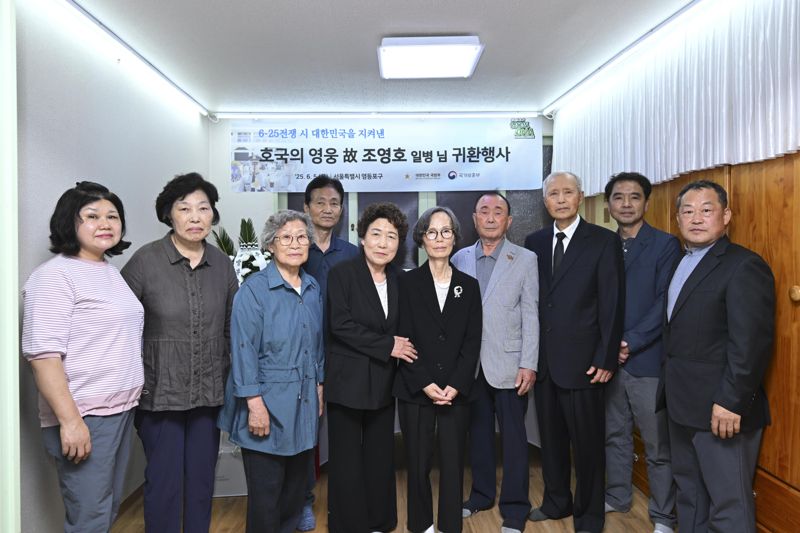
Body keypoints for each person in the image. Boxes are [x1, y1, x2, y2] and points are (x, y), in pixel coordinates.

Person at [22, 181, 144, 532]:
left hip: (120, 410)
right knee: (89, 515)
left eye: (112, 216)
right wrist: (71, 422)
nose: (105, 223)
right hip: (84, 414)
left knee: (104, 510)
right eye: (91, 216)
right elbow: (43, 356)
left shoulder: (108, 272)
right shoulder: (54, 276)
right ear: (68, 223)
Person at [121, 173, 238, 533]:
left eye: (203, 208)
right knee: (164, 483)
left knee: (202, 483)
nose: (195, 216)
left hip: (207, 394)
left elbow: (232, 329)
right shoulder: (145, 261)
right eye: (184, 208)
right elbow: (121, 326)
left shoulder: (221, 264)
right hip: (160, 395)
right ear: (169, 215)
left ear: (213, 216)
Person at [657, 180, 775, 533]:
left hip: (721, 410)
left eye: (706, 210)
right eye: (688, 211)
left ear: (726, 216)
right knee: (690, 495)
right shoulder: (681, 261)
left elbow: (751, 343)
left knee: (729, 505)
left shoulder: (743, 266)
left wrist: (731, 401)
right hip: (681, 404)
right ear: (677, 219)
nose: (696, 218)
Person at [524, 171, 625, 533]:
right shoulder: (533, 242)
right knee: (550, 442)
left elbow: (613, 303)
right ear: (546, 201)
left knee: (587, 447)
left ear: (580, 197)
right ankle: (556, 502)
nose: (561, 199)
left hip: (586, 364)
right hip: (545, 362)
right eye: (554, 194)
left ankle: (589, 515)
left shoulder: (602, 241)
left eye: (568, 192)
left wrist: (606, 356)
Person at [218, 210, 325, 533]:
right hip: (265, 403)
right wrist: (254, 404)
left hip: (303, 403)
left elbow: (316, 345)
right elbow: (243, 350)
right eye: (286, 238)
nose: (295, 244)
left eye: (301, 237)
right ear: (270, 245)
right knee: (266, 498)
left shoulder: (312, 287)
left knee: (295, 493)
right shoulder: (254, 291)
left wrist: (319, 387)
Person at [325, 202, 415, 533]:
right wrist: (387, 345)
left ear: (398, 243)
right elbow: (340, 325)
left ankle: (380, 520)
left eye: (391, 236)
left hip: (383, 382)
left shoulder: (399, 279)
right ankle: (349, 525)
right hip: (346, 382)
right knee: (346, 461)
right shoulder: (342, 274)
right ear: (362, 237)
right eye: (376, 234)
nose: (383, 242)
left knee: (380, 457)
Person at [452, 192, 539, 533]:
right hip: (471, 367)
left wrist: (528, 363)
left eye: (498, 211)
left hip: (510, 363)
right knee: (479, 436)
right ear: (474, 219)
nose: (490, 217)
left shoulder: (525, 259)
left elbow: (531, 314)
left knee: (515, 440)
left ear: (509, 221)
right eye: (484, 211)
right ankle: (481, 495)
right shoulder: (459, 258)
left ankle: (516, 507)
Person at [394, 207, 482, 533]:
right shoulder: (405, 283)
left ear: (456, 238)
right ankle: (421, 526)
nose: (440, 238)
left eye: (446, 232)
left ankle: (449, 526)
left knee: (453, 463)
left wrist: (456, 384)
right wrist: (425, 382)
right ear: (421, 239)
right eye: (432, 232)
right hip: (417, 389)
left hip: (455, 392)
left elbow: (472, 342)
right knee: (417, 464)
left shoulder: (468, 286)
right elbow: (402, 339)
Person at [603, 172, 680, 533]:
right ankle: (617, 495)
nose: (627, 204)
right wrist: (606, 346)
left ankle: (664, 515)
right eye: (619, 198)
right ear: (609, 205)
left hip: (646, 360)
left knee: (656, 444)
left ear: (646, 203)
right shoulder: (603, 245)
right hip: (608, 361)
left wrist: (628, 342)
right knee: (614, 434)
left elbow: (666, 302)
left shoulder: (665, 245)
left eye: (634, 197)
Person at [297, 175, 358, 531]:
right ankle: (304, 499)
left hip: (343, 355)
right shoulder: (293, 247)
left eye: (334, 202)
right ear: (306, 207)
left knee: (342, 431)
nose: (327, 208)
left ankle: (345, 500)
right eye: (320, 202)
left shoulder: (352, 253)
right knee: (305, 432)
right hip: (302, 356)